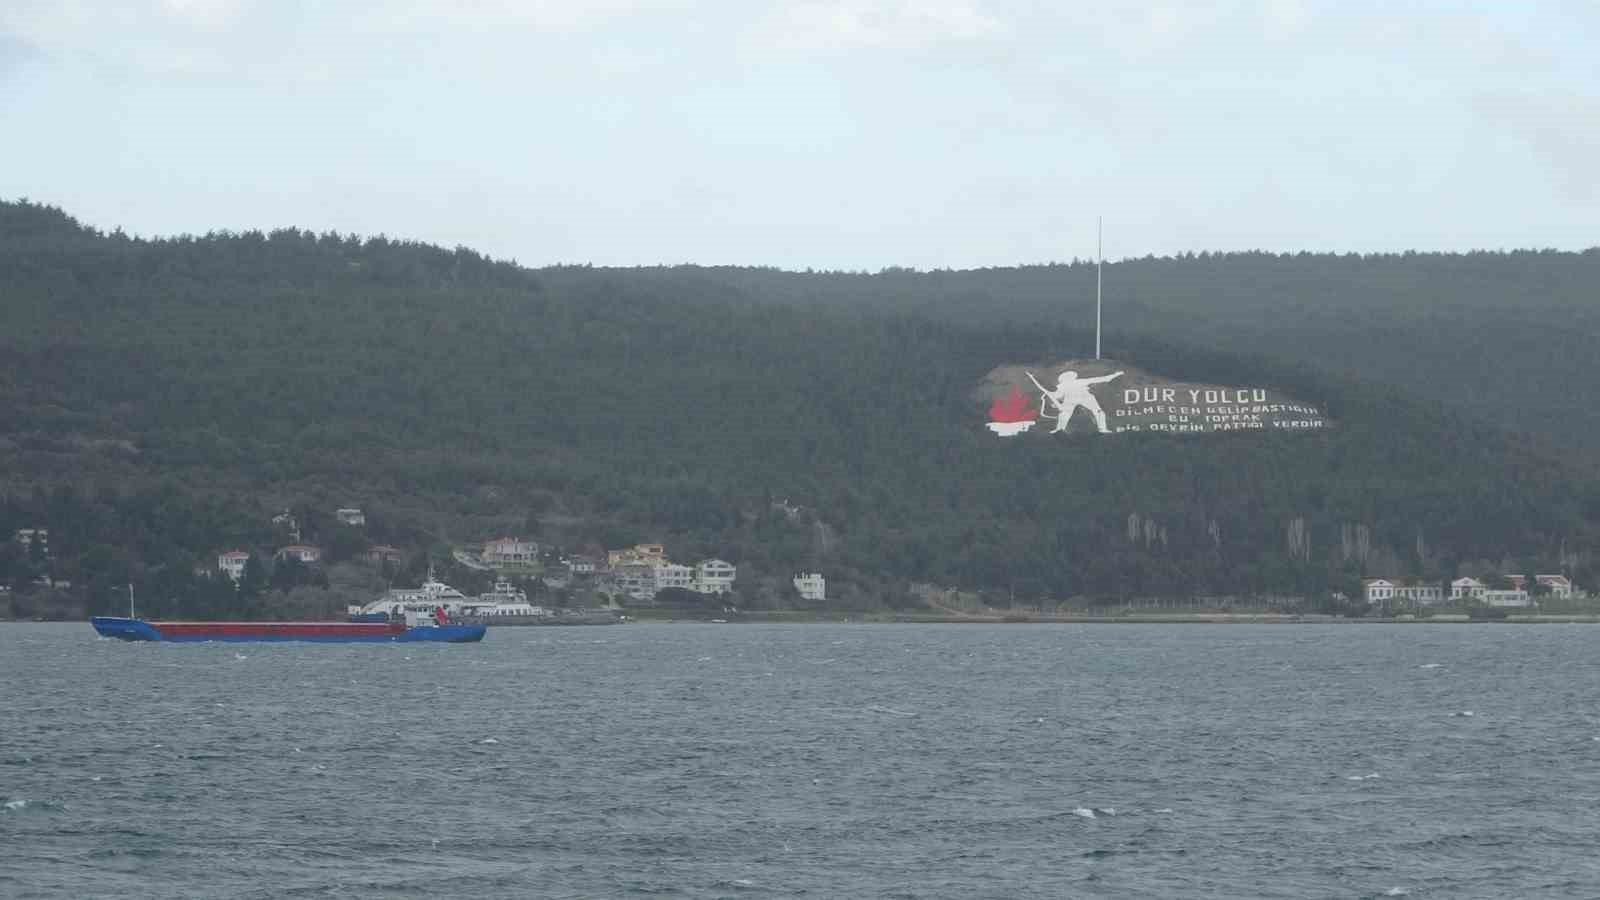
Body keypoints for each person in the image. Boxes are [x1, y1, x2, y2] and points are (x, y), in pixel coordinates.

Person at [1037, 370, 1124, 434]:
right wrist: (1048, 395)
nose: (1069, 379)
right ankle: (1059, 429)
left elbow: (1101, 379)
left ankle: (1103, 428)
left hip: (1085, 397)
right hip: (1070, 399)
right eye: (1067, 378)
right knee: (1064, 414)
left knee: (1099, 411)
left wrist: (1114, 375)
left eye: (1069, 377)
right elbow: (1057, 395)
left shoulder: (1079, 381)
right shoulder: (1062, 386)